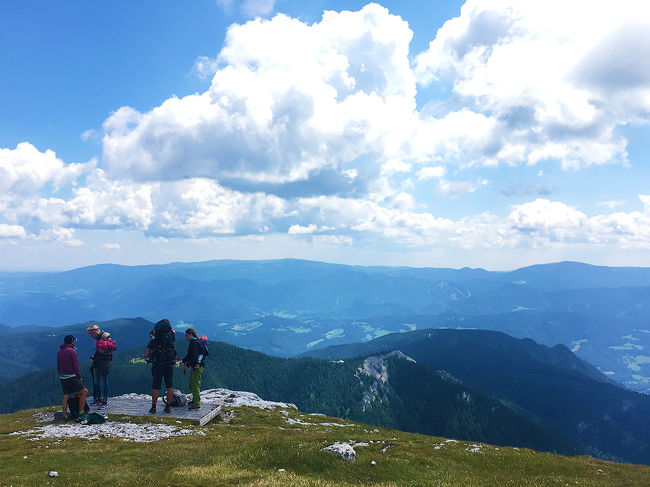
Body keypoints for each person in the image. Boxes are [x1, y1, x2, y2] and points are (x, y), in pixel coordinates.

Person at [145, 319, 176, 414]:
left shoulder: (154, 341)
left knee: (156, 387)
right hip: (169, 364)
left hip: (158, 365)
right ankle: (168, 407)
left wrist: (150, 357)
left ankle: (153, 407)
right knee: (169, 386)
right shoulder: (170, 338)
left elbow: (146, 354)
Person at [56, 335, 88, 421]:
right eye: (74, 341)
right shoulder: (72, 351)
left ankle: (64, 415)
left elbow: (58, 366)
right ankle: (81, 412)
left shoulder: (60, 352)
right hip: (71, 376)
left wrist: (61, 375)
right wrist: (79, 376)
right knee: (84, 392)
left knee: (66, 396)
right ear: (72, 341)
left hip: (63, 377)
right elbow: (75, 366)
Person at [181, 328, 207, 410]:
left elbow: (194, 356)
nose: (186, 337)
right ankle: (195, 400)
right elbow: (190, 355)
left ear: (191, 334)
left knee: (195, 385)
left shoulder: (194, 343)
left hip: (197, 367)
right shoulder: (194, 342)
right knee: (192, 384)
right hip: (195, 366)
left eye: (186, 335)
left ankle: (197, 404)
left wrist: (187, 364)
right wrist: (183, 361)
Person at [93, 332, 117, 410]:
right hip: (104, 364)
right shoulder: (110, 344)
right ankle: (103, 400)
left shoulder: (99, 343)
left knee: (99, 381)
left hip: (98, 363)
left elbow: (100, 351)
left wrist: (102, 352)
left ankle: (101, 400)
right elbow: (111, 349)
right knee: (104, 381)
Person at [86, 324, 104, 405]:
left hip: (99, 362)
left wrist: (95, 357)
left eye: (91, 334)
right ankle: (98, 398)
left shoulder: (100, 339)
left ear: (95, 332)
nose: (90, 336)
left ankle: (98, 398)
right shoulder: (100, 338)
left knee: (97, 381)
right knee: (98, 381)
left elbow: (101, 352)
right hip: (100, 362)